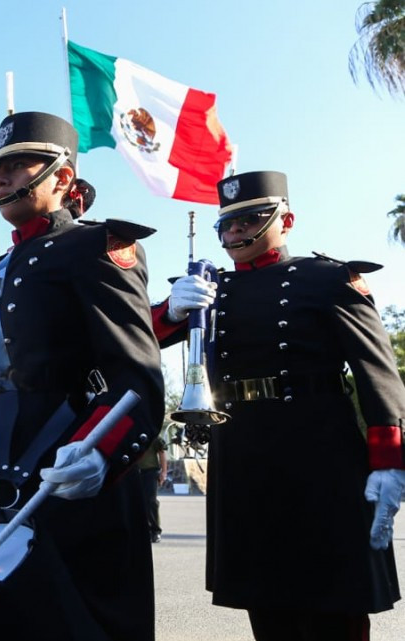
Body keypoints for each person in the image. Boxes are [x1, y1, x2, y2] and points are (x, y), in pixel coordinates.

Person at [0, 111, 164, 638]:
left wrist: (98, 451)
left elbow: (137, 374)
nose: (0, 179)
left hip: (70, 480)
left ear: (61, 176)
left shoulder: (95, 246)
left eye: (15, 165)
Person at [154, 170, 404, 640]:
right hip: (243, 448)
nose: (234, 234)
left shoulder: (326, 278)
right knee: (265, 595)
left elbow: (377, 372)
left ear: (284, 219)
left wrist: (387, 460)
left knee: (336, 596)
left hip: (319, 447)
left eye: (248, 221)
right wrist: (170, 311)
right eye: (224, 226)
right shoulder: (213, 290)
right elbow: (136, 341)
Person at [137, 432, 168, 543]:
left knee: (151, 501)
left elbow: (161, 452)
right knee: (135, 503)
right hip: (133, 472)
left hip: (150, 472)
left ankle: (155, 531)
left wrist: (164, 472)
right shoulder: (130, 432)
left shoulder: (152, 434)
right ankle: (141, 531)